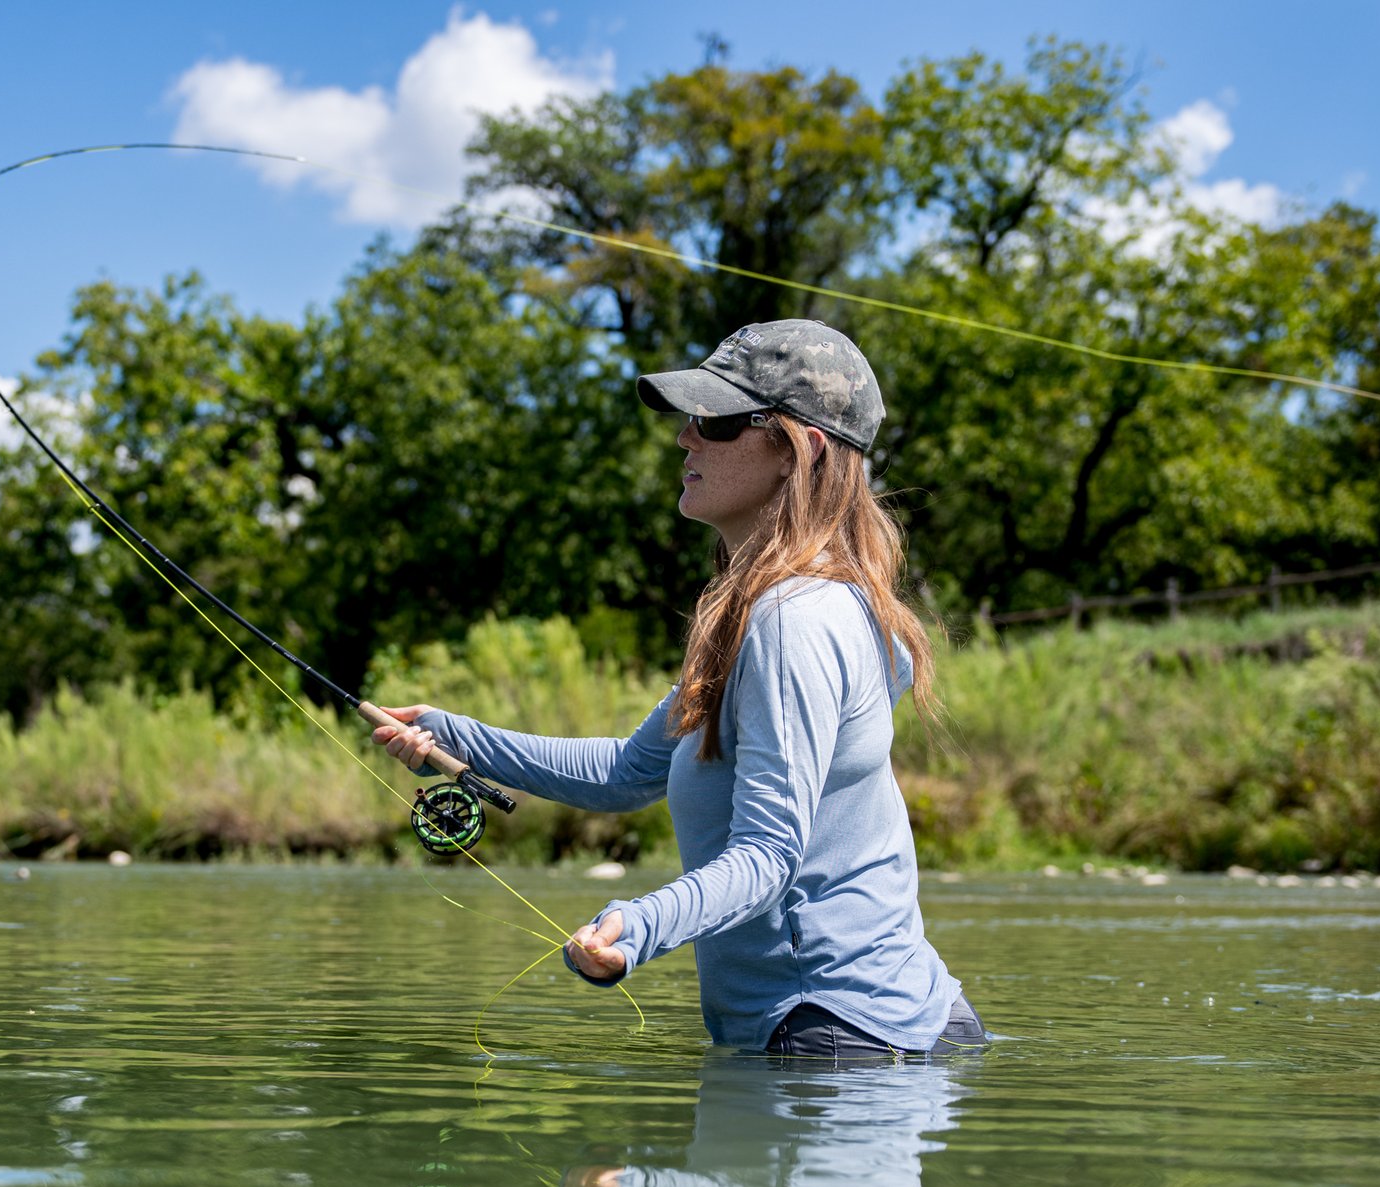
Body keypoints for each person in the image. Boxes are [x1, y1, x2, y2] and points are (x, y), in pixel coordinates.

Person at [375, 319, 984, 1056]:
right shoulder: (811, 605)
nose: (684, 437)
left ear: (801, 450)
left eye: (716, 421)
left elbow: (768, 856)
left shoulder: (793, 620)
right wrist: (453, 735)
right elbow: (627, 772)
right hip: (902, 1024)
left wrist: (640, 925)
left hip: (835, 1040)